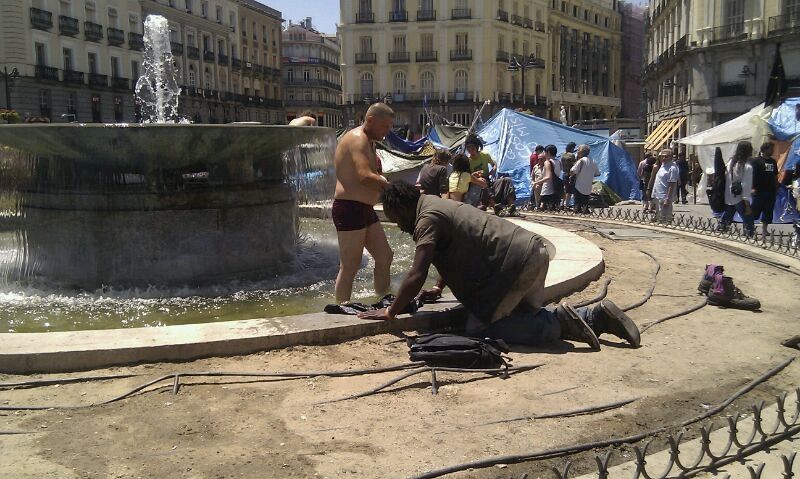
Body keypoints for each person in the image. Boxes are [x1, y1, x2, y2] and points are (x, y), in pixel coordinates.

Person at [356, 182, 640, 350]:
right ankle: (596, 316)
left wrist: (391, 311)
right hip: (531, 252)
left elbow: (416, 272)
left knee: (480, 329)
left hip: (515, 267)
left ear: (403, 208)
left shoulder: (425, 219)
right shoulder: (434, 204)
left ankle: (567, 321)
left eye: (395, 218)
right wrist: (440, 286)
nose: (397, 225)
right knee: (519, 314)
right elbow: (455, 244)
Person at [332, 103, 395, 304]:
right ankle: (340, 310)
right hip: (349, 207)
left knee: (385, 256)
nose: (387, 132)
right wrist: (393, 188)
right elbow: (365, 176)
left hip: (364, 208)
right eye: (385, 126)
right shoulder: (357, 139)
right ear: (370, 121)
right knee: (350, 266)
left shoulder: (370, 141)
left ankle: (383, 300)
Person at [717, 141, 755, 237]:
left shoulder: (731, 163)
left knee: (728, 214)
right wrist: (747, 204)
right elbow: (746, 185)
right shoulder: (747, 167)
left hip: (729, 195)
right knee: (747, 217)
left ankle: (721, 228)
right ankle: (749, 233)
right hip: (740, 197)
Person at [750, 141, 779, 242]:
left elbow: (775, 175)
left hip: (770, 191)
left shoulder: (773, 162)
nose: (772, 151)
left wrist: (777, 187)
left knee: (768, 212)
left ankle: (764, 231)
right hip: (758, 191)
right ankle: (750, 228)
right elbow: (751, 175)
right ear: (765, 149)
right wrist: (752, 188)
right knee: (755, 211)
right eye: (771, 149)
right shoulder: (756, 161)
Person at [464, 134, 496, 209]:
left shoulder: (485, 155)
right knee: (481, 181)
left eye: (472, 148)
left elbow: (494, 164)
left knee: (506, 180)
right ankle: (488, 203)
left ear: (476, 147)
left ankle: (510, 205)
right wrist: (474, 174)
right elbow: (467, 175)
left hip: (487, 179)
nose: (470, 150)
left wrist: (493, 171)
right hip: (475, 180)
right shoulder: (467, 161)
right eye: (468, 148)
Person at [570, 144, 600, 214]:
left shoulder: (581, 161)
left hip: (579, 186)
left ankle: (577, 210)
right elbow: (597, 173)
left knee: (577, 204)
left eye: (578, 150)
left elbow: (572, 171)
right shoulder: (593, 161)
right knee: (585, 202)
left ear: (582, 152)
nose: (577, 152)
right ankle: (585, 210)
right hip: (588, 187)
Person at [650, 149, 679, 223]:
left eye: (666, 157)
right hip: (658, 194)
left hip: (665, 196)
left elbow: (671, 184)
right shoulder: (663, 165)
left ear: (671, 157)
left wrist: (667, 198)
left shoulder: (672, 168)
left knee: (665, 215)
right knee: (659, 214)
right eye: (662, 157)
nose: (663, 158)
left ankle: (666, 227)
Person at [533, 144, 562, 210]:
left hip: (547, 190)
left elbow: (548, 177)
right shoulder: (558, 162)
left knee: (544, 210)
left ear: (548, 152)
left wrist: (536, 182)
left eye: (545, 152)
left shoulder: (547, 162)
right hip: (556, 190)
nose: (544, 154)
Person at [560, 142, 577, 208]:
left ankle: (562, 203)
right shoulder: (572, 155)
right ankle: (566, 204)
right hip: (570, 174)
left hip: (564, 174)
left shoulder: (563, 155)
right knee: (569, 191)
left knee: (565, 189)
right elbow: (575, 165)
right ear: (572, 148)